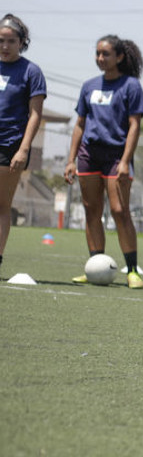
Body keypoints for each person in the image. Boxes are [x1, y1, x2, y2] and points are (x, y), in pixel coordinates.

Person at [65, 35, 143, 288]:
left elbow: (135, 125)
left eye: (106, 54)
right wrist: (71, 160)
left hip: (116, 156)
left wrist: (125, 161)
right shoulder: (89, 86)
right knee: (92, 211)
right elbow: (80, 124)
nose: (101, 58)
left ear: (119, 57)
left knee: (120, 212)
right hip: (89, 155)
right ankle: (95, 267)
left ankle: (132, 270)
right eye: (98, 53)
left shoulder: (131, 86)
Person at [0, 14, 46, 279]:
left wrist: (24, 149)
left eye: (11, 41)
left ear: (22, 42)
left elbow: (35, 114)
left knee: (2, 205)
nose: (5, 46)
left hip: (9, 144)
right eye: (1, 41)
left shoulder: (31, 71)